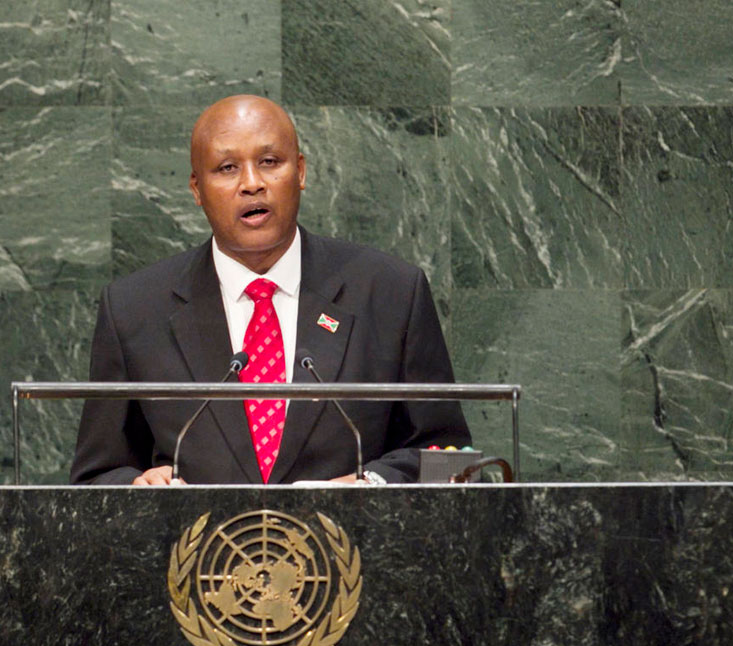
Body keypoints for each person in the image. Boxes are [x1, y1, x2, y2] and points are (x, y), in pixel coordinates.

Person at [70, 95, 470, 485]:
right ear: (196, 189)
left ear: (300, 171)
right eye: (227, 168)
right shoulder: (135, 309)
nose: (251, 183)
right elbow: (97, 475)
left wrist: (372, 484)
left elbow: (446, 456)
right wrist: (139, 485)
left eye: (269, 162)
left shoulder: (390, 292)